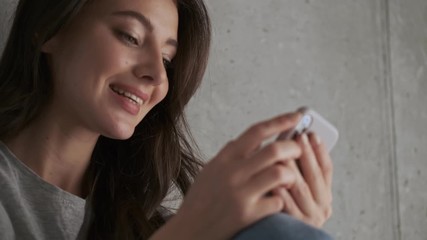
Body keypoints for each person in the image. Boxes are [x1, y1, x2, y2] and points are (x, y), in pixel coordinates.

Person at [0, 0, 334, 239]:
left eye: (167, 59)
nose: (157, 75)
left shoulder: (151, 226)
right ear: (48, 30)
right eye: (130, 36)